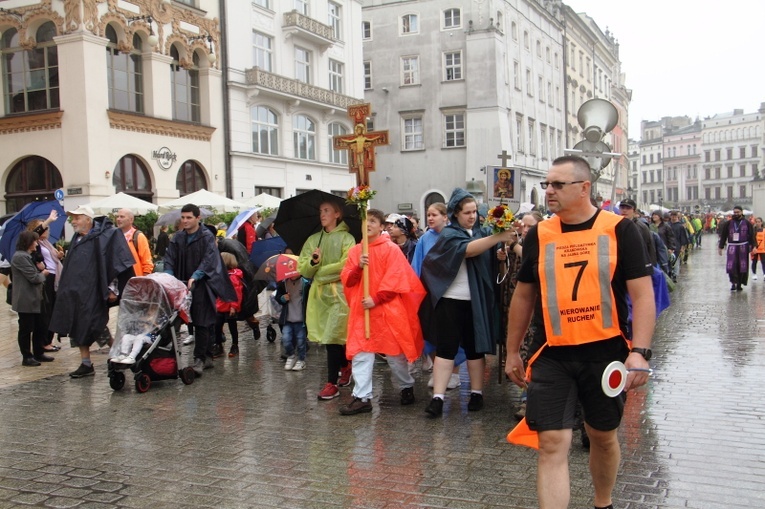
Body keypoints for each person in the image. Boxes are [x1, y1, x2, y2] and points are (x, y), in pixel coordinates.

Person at [505, 156, 655, 509]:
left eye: (558, 184)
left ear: (584, 187)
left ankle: (603, 502)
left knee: (602, 436)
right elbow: (524, 294)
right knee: (552, 442)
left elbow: (643, 294)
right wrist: (513, 351)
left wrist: (640, 352)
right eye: (547, 184)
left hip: (605, 353)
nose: (549, 191)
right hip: (552, 353)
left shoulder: (620, 229)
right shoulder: (540, 234)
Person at [420, 188, 516, 417]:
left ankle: (476, 393)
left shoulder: (482, 233)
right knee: (446, 349)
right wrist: (498, 238)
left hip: (475, 301)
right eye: (467, 212)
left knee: (475, 350)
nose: (472, 216)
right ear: (455, 214)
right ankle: (438, 398)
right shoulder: (450, 234)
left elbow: (489, 260)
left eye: (474, 212)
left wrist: (499, 255)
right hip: (450, 300)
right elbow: (469, 251)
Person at [339, 209, 426, 415]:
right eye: (365, 221)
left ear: (381, 226)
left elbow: (397, 279)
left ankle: (406, 386)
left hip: (387, 311)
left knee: (395, 356)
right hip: (363, 313)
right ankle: (362, 397)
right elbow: (348, 280)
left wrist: (377, 299)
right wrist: (358, 268)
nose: (368, 224)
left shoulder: (391, 250)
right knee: (362, 353)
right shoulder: (355, 252)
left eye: (372, 221)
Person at [49, 205, 136, 378]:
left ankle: (118, 354)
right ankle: (86, 363)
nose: (73, 222)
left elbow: (114, 263)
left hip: (95, 291)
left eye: (77, 218)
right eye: (72, 218)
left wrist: (112, 289)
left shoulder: (106, 236)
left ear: (88, 220)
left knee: (96, 324)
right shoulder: (77, 238)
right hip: (76, 293)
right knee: (78, 325)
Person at [164, 204, 237, 376]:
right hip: (181, 285)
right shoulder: (177, 238)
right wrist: (168, 275)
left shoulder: (206, 237)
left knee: (202, 322)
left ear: (198, 218)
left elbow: (209, 258)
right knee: (177, 320)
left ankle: (201, 358)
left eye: (189, 217)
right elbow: (169, 258)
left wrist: (197, 275)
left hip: (202, 285)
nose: (185, 221)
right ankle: (175, 356)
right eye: (183, 217)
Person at [298, 200, 356, 400]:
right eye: (320, 210)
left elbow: (345, 265)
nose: (322, 214)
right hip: (319, 297)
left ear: (337, 214)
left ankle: (331, 383)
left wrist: (320, 271)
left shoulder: (347, 238)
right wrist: (313, 261)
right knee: (330, 337)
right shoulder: (313, 240)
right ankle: (344, 365)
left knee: (332, 336)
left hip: (340, 295)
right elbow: (303, 269)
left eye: (326, 210)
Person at [411, 202, 463, 390]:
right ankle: (437, 371)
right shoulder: (425, 239)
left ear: (445, 217)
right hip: (429, 293)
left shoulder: (454, 236)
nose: (430, 218)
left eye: (434, 215)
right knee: (430, 335)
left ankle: (454, 373)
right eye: (428, 215)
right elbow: (417, 265)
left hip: (450, 292)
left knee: (452, 334)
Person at [11, 231, 50, 366]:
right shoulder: (20, 257)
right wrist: (43, 273)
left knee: (40, 325)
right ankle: (27, 356)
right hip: (26, 299)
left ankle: (39, 352)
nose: (36, 243)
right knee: (26, 328)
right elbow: (34, 278)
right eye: (34, 241)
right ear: (28, 242)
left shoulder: (28, 256)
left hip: (36, 298)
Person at [28, 214, 65, 351]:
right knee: (46, 312)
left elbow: (53, 259)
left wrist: (59, 256)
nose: (47, 229)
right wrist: (48, 220)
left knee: (53, 310)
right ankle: (44, 343)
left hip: (54, 277)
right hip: (46, 278)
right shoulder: (34, 243)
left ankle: (48, 340)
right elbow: (34, 235)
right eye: (44, 227)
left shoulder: (48, 244)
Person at [276, 266, 309, 371]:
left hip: (301, 320)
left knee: (301, 341)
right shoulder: (284, 283)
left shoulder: (306, 284)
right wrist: (283, 298)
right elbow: (278, 297)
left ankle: (301, 360)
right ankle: (291, 356)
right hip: (288, 319)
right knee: (285, 339)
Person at [718, 205, 755, 291]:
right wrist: (720, 247)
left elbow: (752, 236)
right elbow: (723, 236)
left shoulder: (747, 223)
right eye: (734, 212)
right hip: (732, 247)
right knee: (731, 265)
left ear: (741, 212)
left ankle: (739, 283)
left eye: (738, 212)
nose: (736, 214)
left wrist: (753, 246)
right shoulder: (728, 223)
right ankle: (733, 283)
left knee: (742, 265)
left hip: (743, 246)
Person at [214, 252, 244, 358]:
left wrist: (233, 306)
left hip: (230, 306)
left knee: (232, 327)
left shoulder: (233, 276)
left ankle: (234, 345)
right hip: (220, 305)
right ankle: (218, 345)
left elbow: (237, 292)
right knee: (217, 326)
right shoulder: (221, 274)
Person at [116, 208, 154, 277]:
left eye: (122, 217)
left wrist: (143, 281)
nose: (118, 219)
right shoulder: (113, 236)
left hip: (134, 280)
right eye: (117, 216)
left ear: (131, 220)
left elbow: (147, 263)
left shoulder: (138, 236)